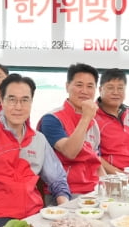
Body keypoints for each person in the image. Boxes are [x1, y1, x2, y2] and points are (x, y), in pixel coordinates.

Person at [0, 72, 70, 227]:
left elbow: (57, 179)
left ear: (31, 103)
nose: (18, 107)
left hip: (34, 216)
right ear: (2, 102)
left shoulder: (38, 139)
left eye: (25, 100)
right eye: (12, 99)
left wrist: (63, 210)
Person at [37, 63, 109, 196]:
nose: (85, 91)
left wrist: (108, 190)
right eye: (79, 85)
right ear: (67, 86)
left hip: (92, 191)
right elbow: (70, 152)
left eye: (90, 86)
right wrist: (86, 118)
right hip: (64, 193)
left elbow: (96, 162)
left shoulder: (93, 123)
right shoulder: (52, 119)